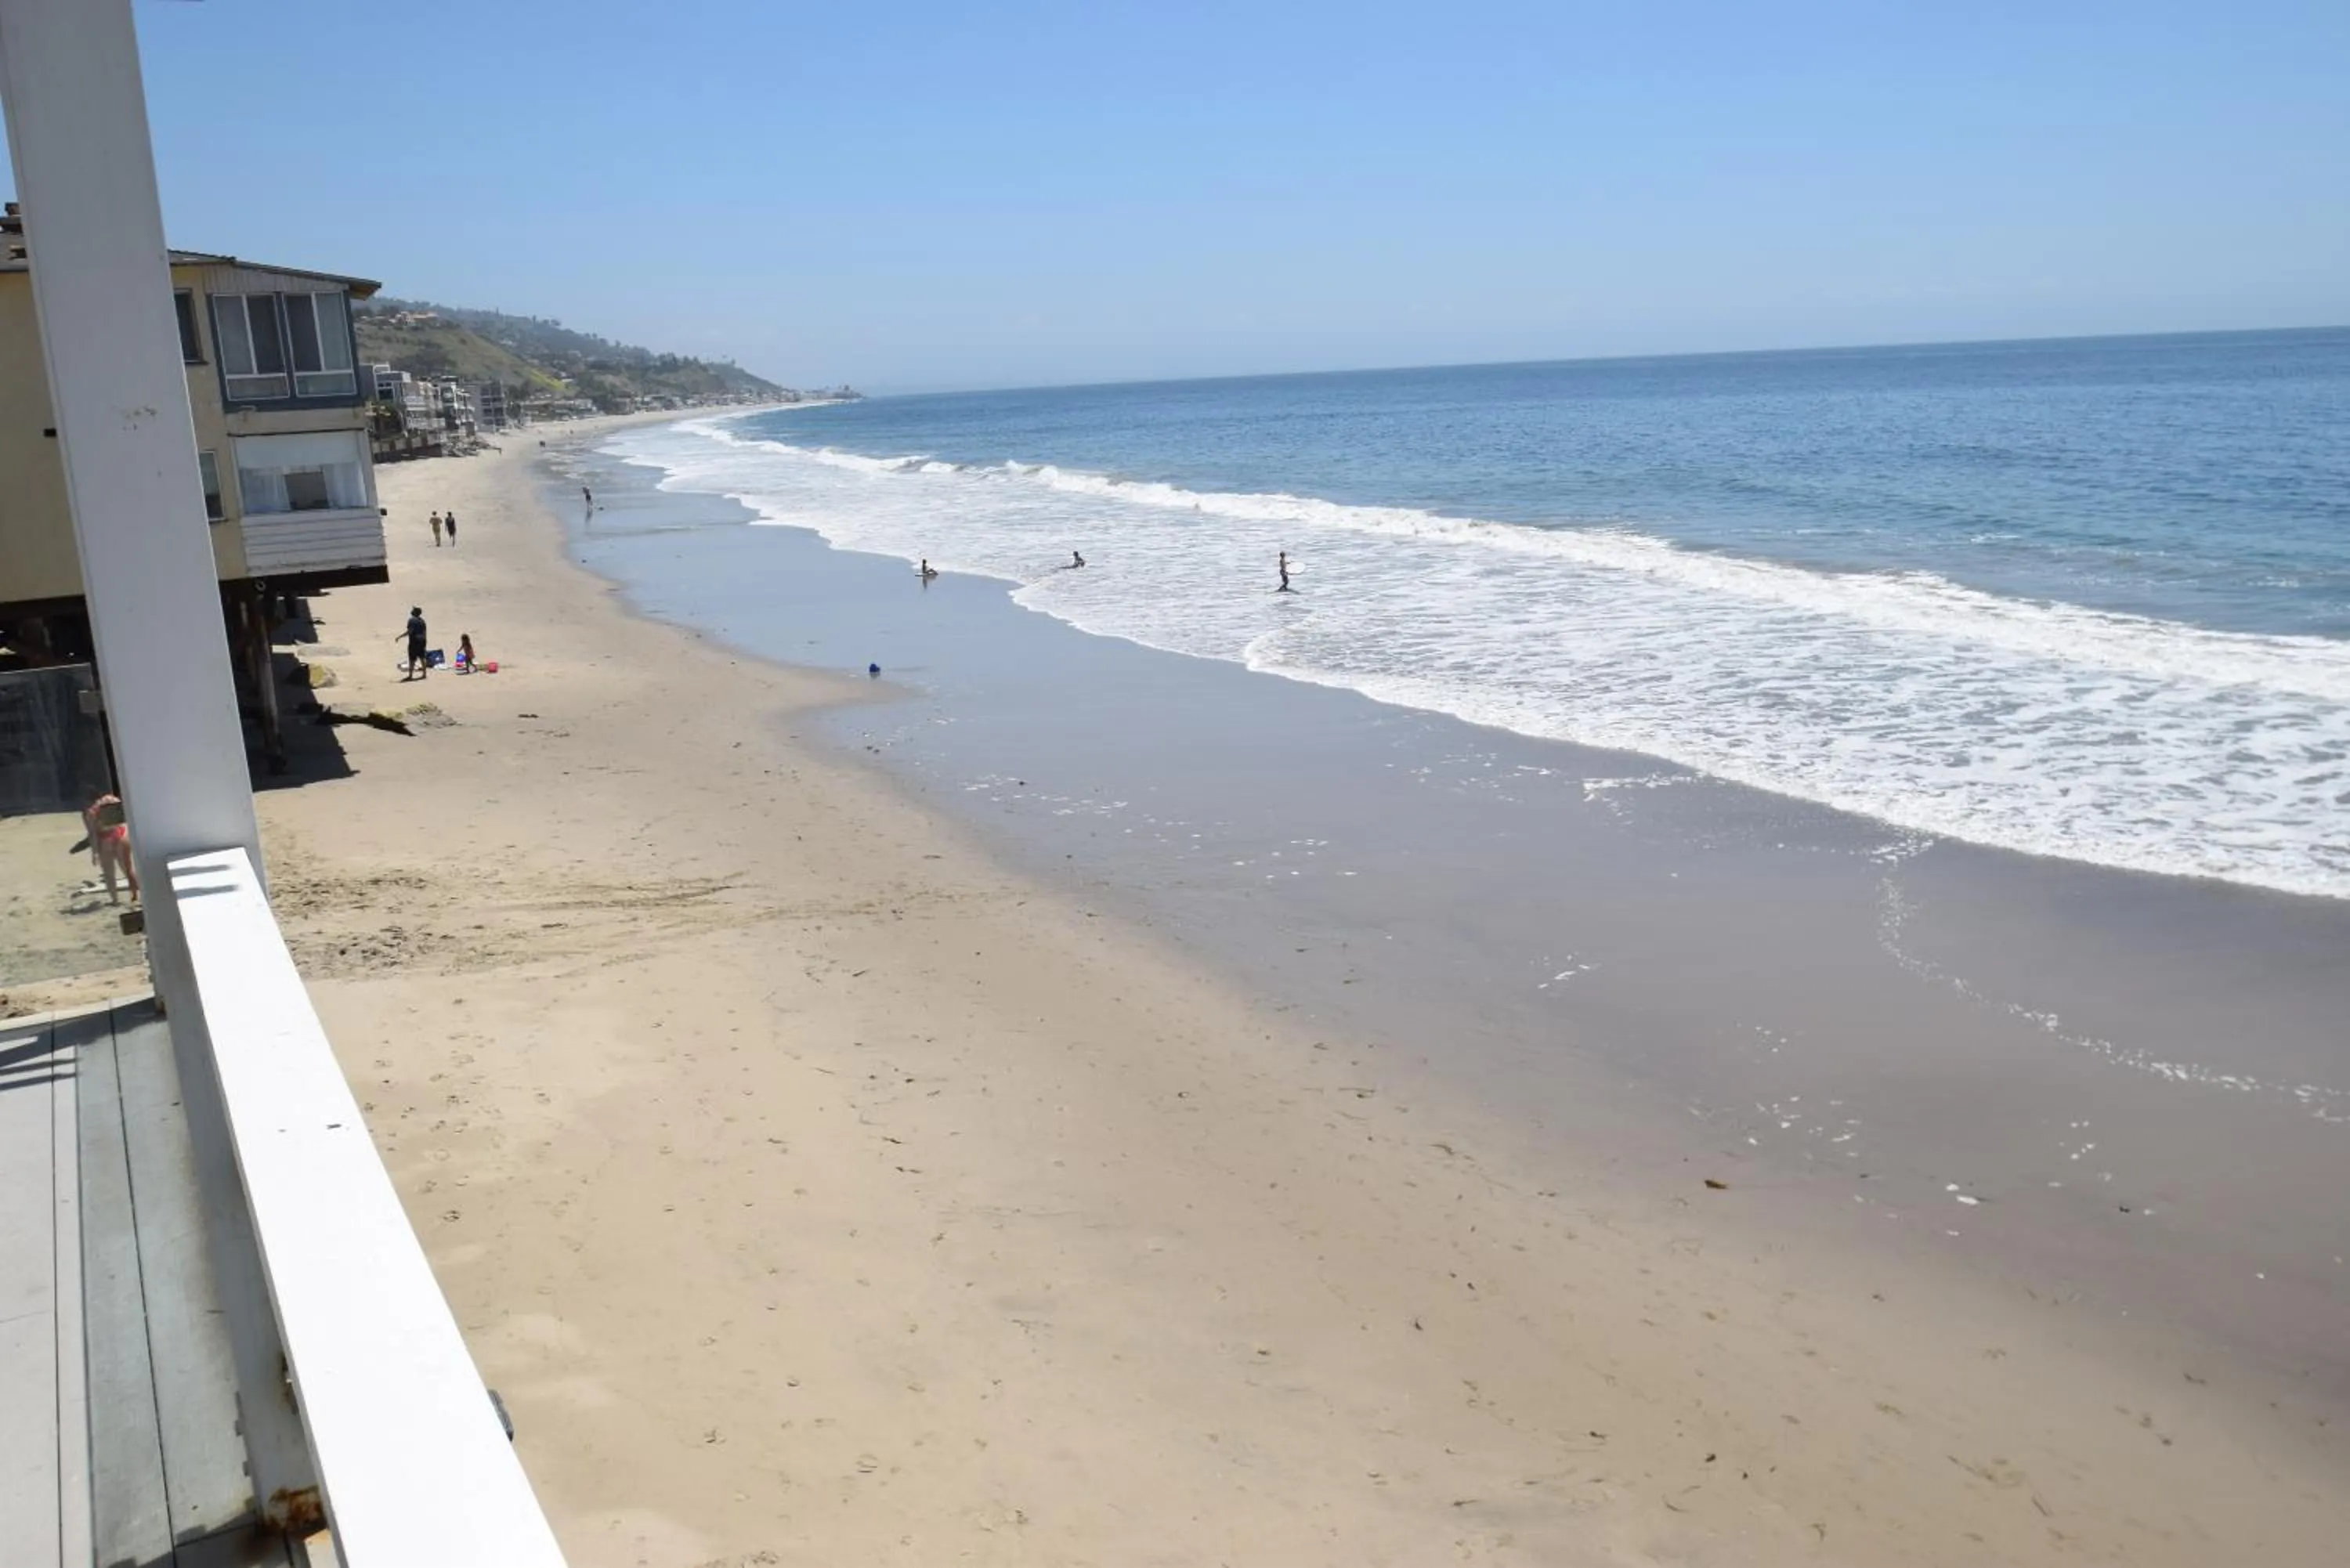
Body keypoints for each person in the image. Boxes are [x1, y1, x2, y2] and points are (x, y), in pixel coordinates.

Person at [84, 792, 136, 905]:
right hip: (120, 835)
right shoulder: (111, 800)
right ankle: (138, 894)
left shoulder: (91, 812)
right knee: (127, 869)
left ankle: (115, 900)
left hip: (105, 839)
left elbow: (93, 834)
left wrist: (95, 853)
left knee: (109, 873)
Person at [396, 605, 429, 679]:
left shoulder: (411, 620)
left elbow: (410, 631)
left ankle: (410, 675)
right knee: (422, 657)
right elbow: (424, 632)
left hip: (414, 641)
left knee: (412, 658)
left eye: (413, 610)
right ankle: (424, 674)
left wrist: (400, 636)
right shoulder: (422, 621)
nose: (411, 611)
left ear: (414, 612)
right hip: (423, 640)